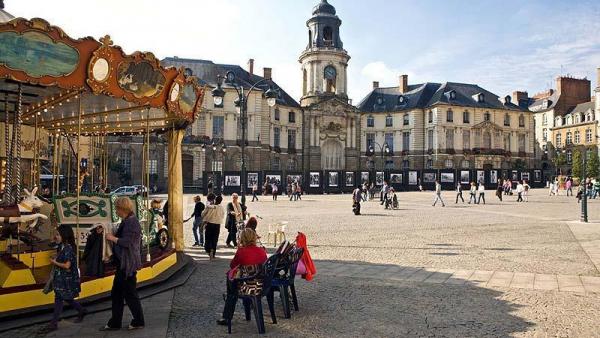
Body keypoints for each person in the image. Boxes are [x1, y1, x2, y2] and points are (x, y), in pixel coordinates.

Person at [103, 197, 145, 331]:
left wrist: (112, 238)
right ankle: (118, 322)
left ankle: (134, 321)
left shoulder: (132, 222)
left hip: (127, 265)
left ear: (122, 209)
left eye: (117, 208)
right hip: (124, 264)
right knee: (120, 293)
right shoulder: (127, 220)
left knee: (127, 294)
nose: (116, 211)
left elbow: (127, 242)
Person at [40, 225, 86, 333]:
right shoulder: (62, 246)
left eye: (58, 235)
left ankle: (53, 323)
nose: (56, 237)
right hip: (60, 278)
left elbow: (67, 266)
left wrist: (54, 262)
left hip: (65, 278)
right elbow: (52, 242)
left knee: (60, 299)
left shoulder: (68, 249)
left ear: (64, 236)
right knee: (64, 298)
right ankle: (81, 310)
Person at [216, 228, 267, 326]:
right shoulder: (262, 251)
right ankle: (242, 304)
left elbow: (232, 266)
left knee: (231, 281)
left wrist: (239, 250)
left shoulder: (242, 252)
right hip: (262, 286)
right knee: (233, 281)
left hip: (247, 287)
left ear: (242, 238)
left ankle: (227, 316)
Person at [201, 194, 225, 259]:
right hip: (217, 224)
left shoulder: (210, 207)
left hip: (210, 224)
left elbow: (203, 214)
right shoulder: (221, 208)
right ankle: (213, 251)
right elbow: (222, 216)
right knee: (215, 239)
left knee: (208, 238)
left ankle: (208, 250)